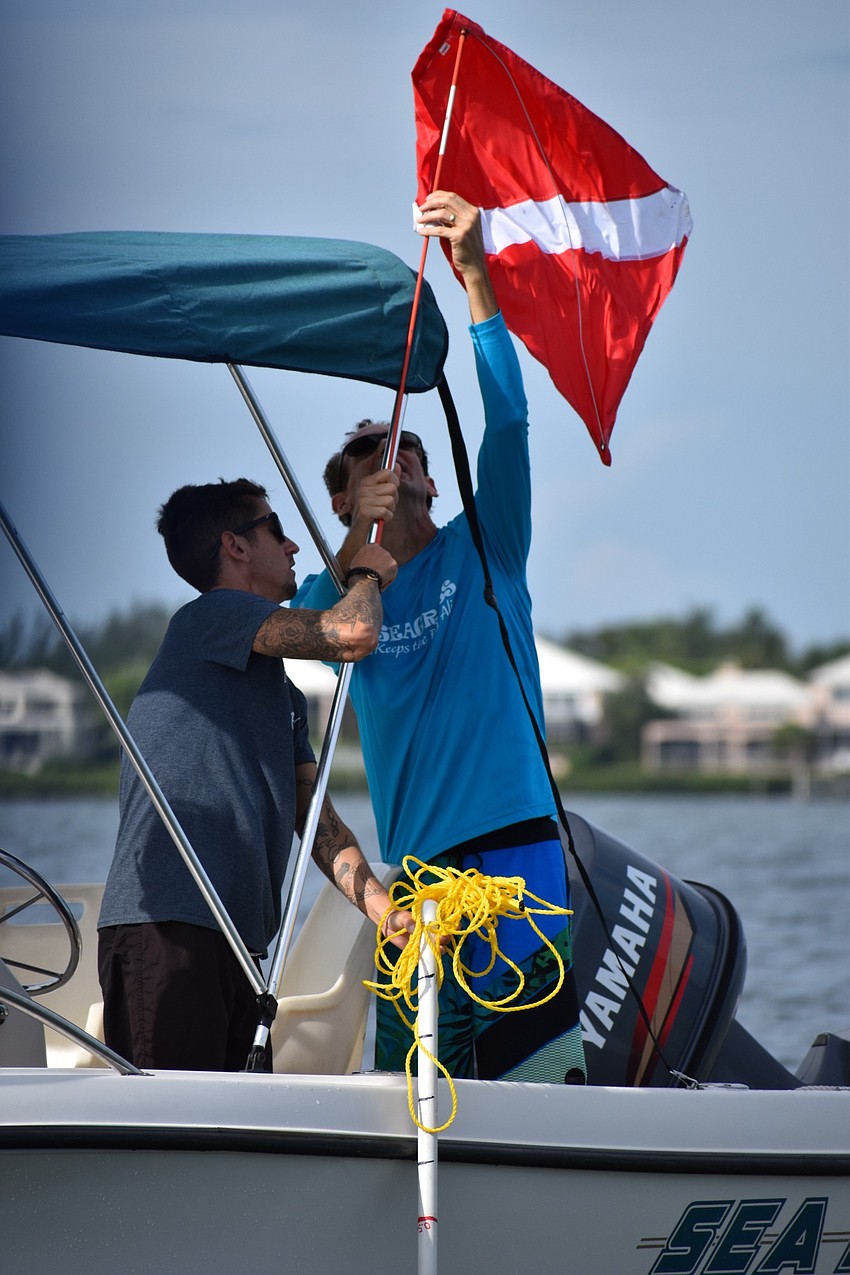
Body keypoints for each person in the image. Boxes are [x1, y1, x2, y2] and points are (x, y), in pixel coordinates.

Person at [293, 192, 587, 1084]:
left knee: (540, 1080)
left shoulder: (486, 538)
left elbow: (511, 423)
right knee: (412, 1093)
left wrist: (475, 279)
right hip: (415, 879)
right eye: (371, 455)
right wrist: (360, 553)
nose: (399, 455)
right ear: (343, 498)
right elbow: (322, 637)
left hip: (519, 848)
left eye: (408, 447)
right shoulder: (329, 590)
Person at [97, 477, 415, 1071]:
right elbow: (350, 634)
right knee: (177, 1135)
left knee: (225, 1126)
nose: (294, 547)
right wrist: (365, 575)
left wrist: (383, 911)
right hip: (171, 929)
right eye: (276, 530)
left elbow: (313, 816)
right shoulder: (210, 617)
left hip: (234, 944)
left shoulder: (281, 697)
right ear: (235, 547)